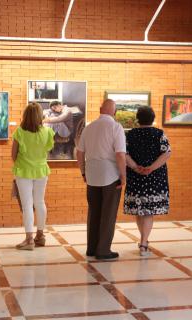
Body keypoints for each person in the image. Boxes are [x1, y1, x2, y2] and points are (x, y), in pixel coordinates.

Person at [76, 99, 126, 260]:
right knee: (108, 213)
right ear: (115, 112)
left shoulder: (88, 128)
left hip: (91, 174)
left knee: (94, 212)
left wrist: (83, 171)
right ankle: (103, 250)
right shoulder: (116, 127)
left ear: (100, 110)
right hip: (110, 174)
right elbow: (119, 154)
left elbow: (79, 152)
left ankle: (91, 248)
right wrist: (123, 176)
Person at [124, 107, 171, 256]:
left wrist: (136, 168)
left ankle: (143, 241)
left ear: (138, 118)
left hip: (136, 176)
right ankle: (144, 242)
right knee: (148, 211)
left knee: (140, 210)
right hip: (154, 177)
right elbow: (167, 153)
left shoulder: (129, 134)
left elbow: (123, 153)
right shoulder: (159, 133)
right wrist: (151, 168)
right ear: (153, 118)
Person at [12, 102, 55, 250]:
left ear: (25, 115)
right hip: (42, 170)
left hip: (23, 171)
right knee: (40, 202)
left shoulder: (19, 132)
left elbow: (13, 155)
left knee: (27, 205)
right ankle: (40, 236)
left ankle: (29, 239)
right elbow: (47, 150)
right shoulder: (47, 132)